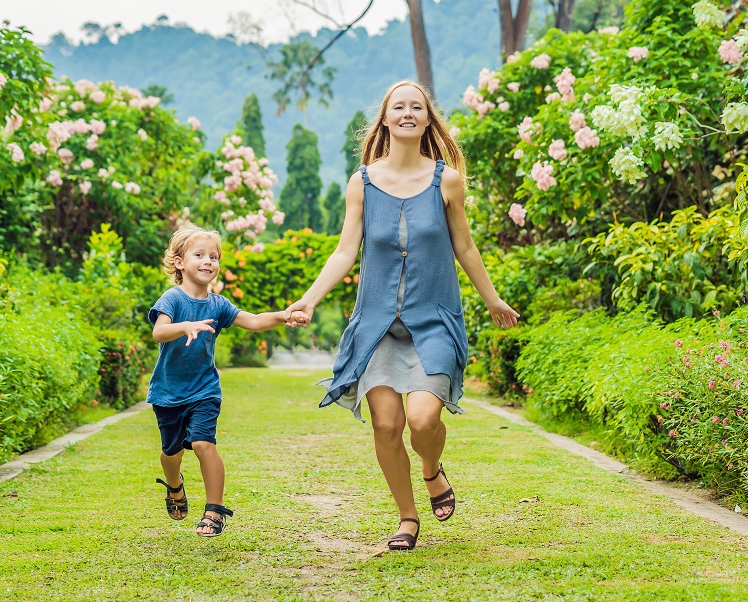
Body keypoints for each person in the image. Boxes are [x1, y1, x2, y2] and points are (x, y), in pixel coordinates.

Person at [286, 81, 520, 551]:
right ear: (386, 119)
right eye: (399, 107)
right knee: (387, 425)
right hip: (377, 327)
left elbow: (465, 246)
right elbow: (344, 250)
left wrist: (492, 298)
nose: (408, 113)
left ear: (428, 120)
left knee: (422, 420)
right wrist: (308, 299)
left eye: (418, 107)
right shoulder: (363, 182)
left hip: (433, 322)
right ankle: (407, 518)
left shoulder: (446, 181)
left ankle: (432, 470)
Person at [147, 224, 299, 536]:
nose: (208, 261)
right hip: (169, 391)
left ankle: (214, 511)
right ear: (179, 262)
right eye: (199, 254)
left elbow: (254, 321)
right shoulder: (172, 299)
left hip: (204, 390)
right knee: (171, 452)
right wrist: (184, 325)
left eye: (214, 257)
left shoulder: (218, 304)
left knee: (204, 443)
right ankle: (175, 485)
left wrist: (284, 315)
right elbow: (158, 332)